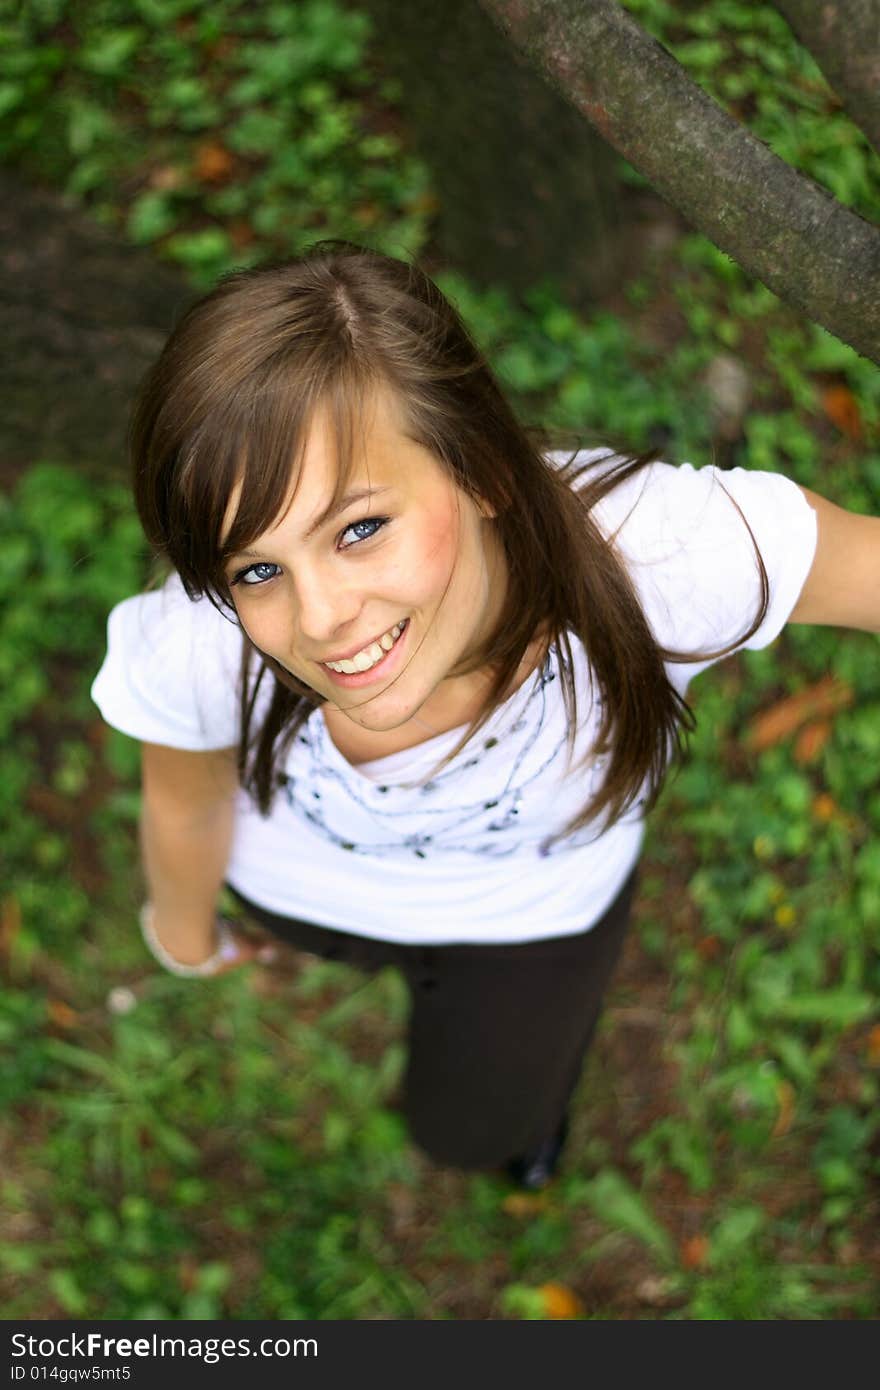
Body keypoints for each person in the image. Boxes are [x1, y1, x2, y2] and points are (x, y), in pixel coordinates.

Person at [91, 241, 879, 1189]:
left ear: (484, 471)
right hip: (304, 895)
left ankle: (518, 1126)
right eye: (257, 569)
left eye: (359, 528)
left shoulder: (667, 556)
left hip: (534, 915)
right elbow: (185, 802)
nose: (320, 618)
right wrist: (184, 934)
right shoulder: (196, 640)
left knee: (466, 1134)